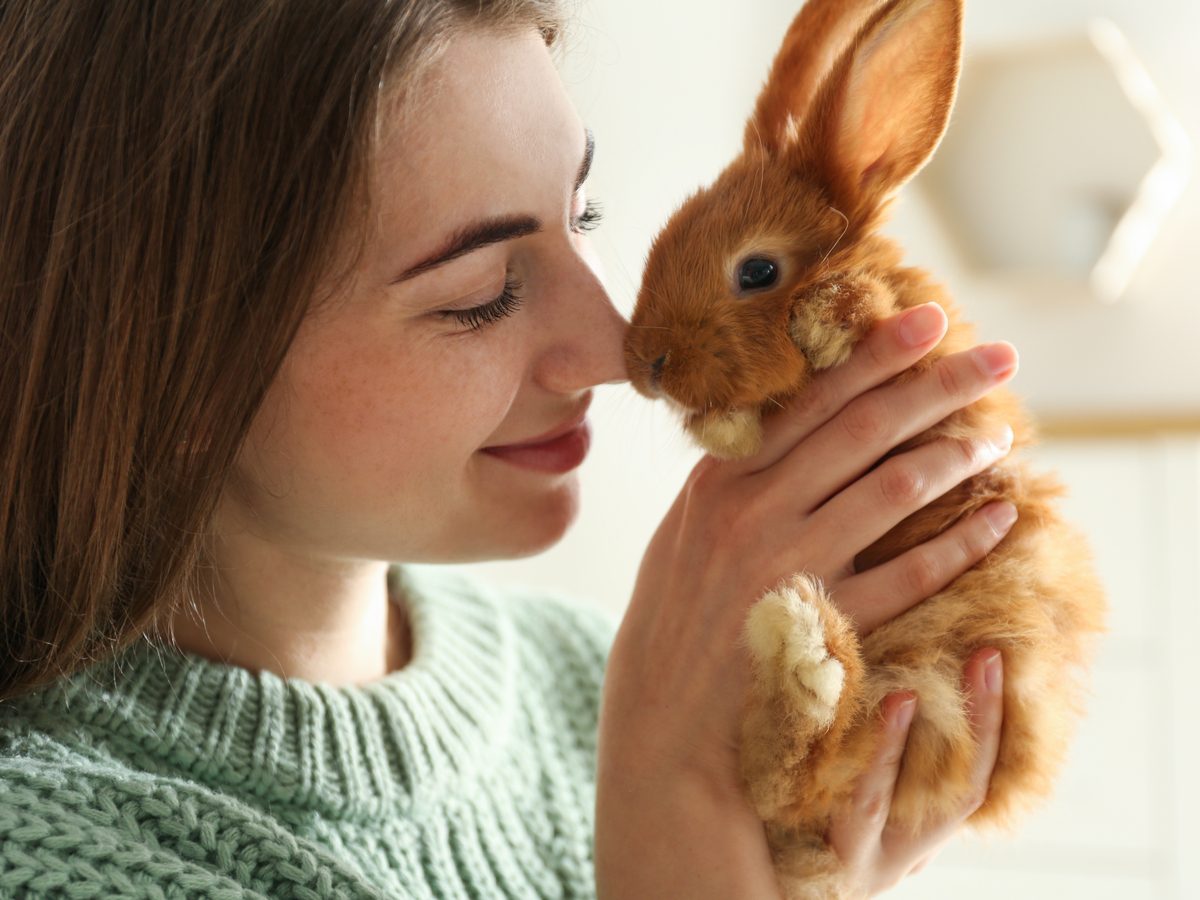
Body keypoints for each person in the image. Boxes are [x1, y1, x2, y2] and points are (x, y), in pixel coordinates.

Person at [0, 1, 1019, 897]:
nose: (613, 351)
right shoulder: (50, 849)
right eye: (479, 294)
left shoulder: (596, 680)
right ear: (169, 358)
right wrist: (672, 813)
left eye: (585, 217)